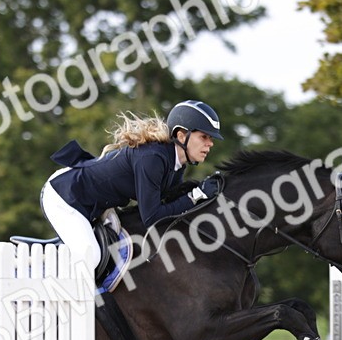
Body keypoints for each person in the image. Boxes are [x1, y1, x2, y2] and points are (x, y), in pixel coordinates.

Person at [40, 99, 223, 273]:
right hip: (65, 195)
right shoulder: (153, 158)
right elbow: (152, 218)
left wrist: (203, 195)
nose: (210, 143)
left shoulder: (176, 164)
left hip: (94, 203)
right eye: (204, 137)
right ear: (182, 136)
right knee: (90, 255)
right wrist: (196, 195)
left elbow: (172, 204)